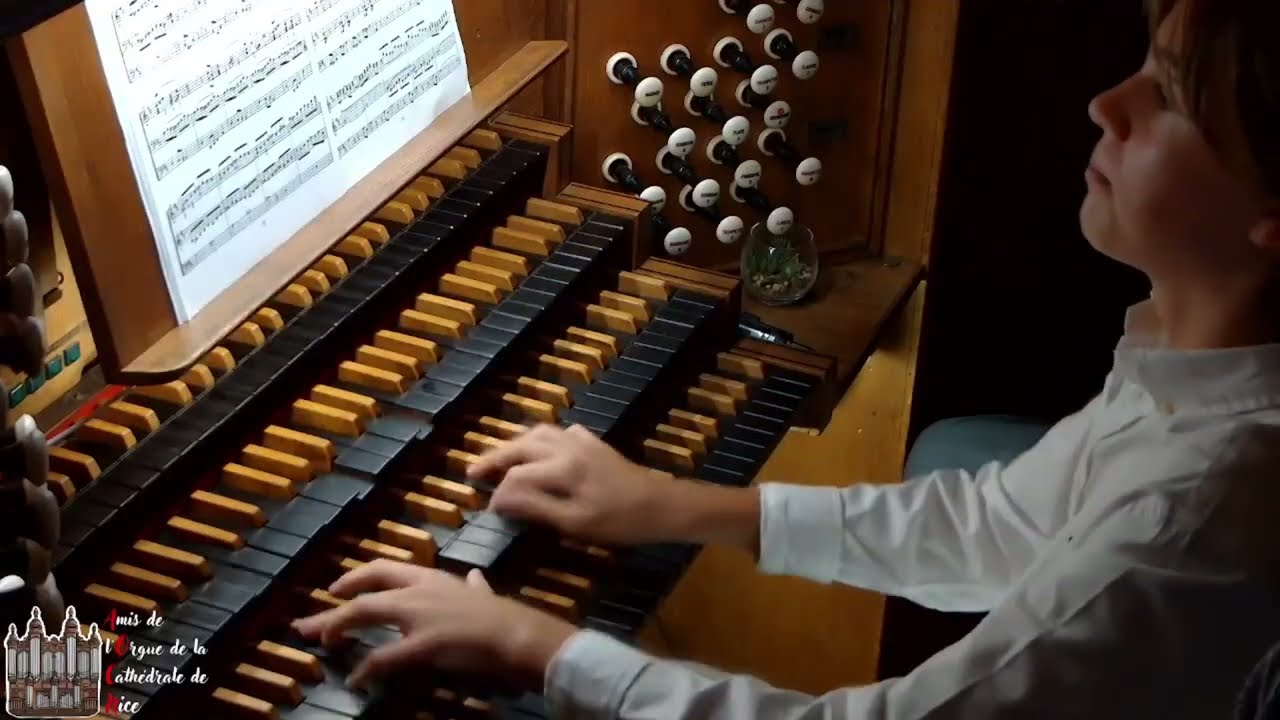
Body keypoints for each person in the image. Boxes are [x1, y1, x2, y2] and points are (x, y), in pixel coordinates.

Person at [292, 0, 1280, 716]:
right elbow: (1005, 527)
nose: (1106, 103)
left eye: (1170, 97)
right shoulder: (1198, 364)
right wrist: (678, 506)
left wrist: (539, 648)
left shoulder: (1197, 508)